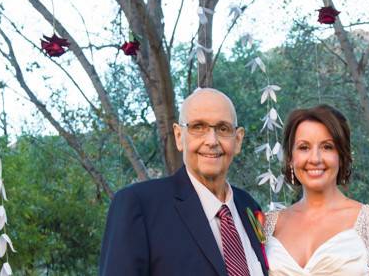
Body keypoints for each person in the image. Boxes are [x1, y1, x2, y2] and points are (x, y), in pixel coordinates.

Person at [99, 88, 268, 276]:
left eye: (223, 129)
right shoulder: (138, 205)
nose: (212, 141)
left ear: (237, 140)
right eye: (198, 127)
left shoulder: (250, 207)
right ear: (179, 136)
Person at [264, 104, 369, 276]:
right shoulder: (267, 225)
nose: (315, 158)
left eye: (327, 147)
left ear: (342, 157)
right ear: (291, 158)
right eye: (304, 147)